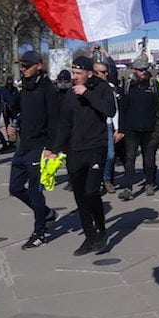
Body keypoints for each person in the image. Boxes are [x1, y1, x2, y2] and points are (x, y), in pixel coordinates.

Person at [52, 56, 116, 255]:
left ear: (90, 73)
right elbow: (64, 123)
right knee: (80, 195)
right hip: (75, 150)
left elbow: (110, 111)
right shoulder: (70, 93)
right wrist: (54, 149)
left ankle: (102, 229)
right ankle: (90, 236)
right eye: (73, 73)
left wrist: (87, 94)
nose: (75, 77)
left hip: (96, 147)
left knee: (91, 192)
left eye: (79, 73)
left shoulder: (102, 88)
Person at [8, 51, 60, 249]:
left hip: (40, 147)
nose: (23, 69)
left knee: (35, 191)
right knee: (15, 188)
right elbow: (21, 113)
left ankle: (40, 233)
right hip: (23, 145)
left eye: (27, 65)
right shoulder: (25, 88)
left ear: (39, 65)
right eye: (22, 66)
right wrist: (14, 125)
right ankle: (46, 213)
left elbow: (55, 121)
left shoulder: (48, 89)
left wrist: (52, 149)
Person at [118, 58, 159, 201]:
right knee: (130, 158)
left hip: (150, 129)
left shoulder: (153, 85)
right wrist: (121, 129)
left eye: (145, 69)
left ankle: (149, 183)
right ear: (134, 70)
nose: (143, 72)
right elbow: (123, 109)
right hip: (132, 129)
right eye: (140, 70)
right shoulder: (128, 86)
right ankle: (128, 188)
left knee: (149, 159)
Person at [92, 61, 122, 194]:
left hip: (108, 125)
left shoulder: (110, 87)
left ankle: (107, 179)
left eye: (106, 72)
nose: (106, 74)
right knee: (94, 156)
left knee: (110, 155)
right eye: (102, 72)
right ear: (94, 73)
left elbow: (114, 109)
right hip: (92, 127)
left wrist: (117, 128)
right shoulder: (88, 88)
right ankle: (96, 181)